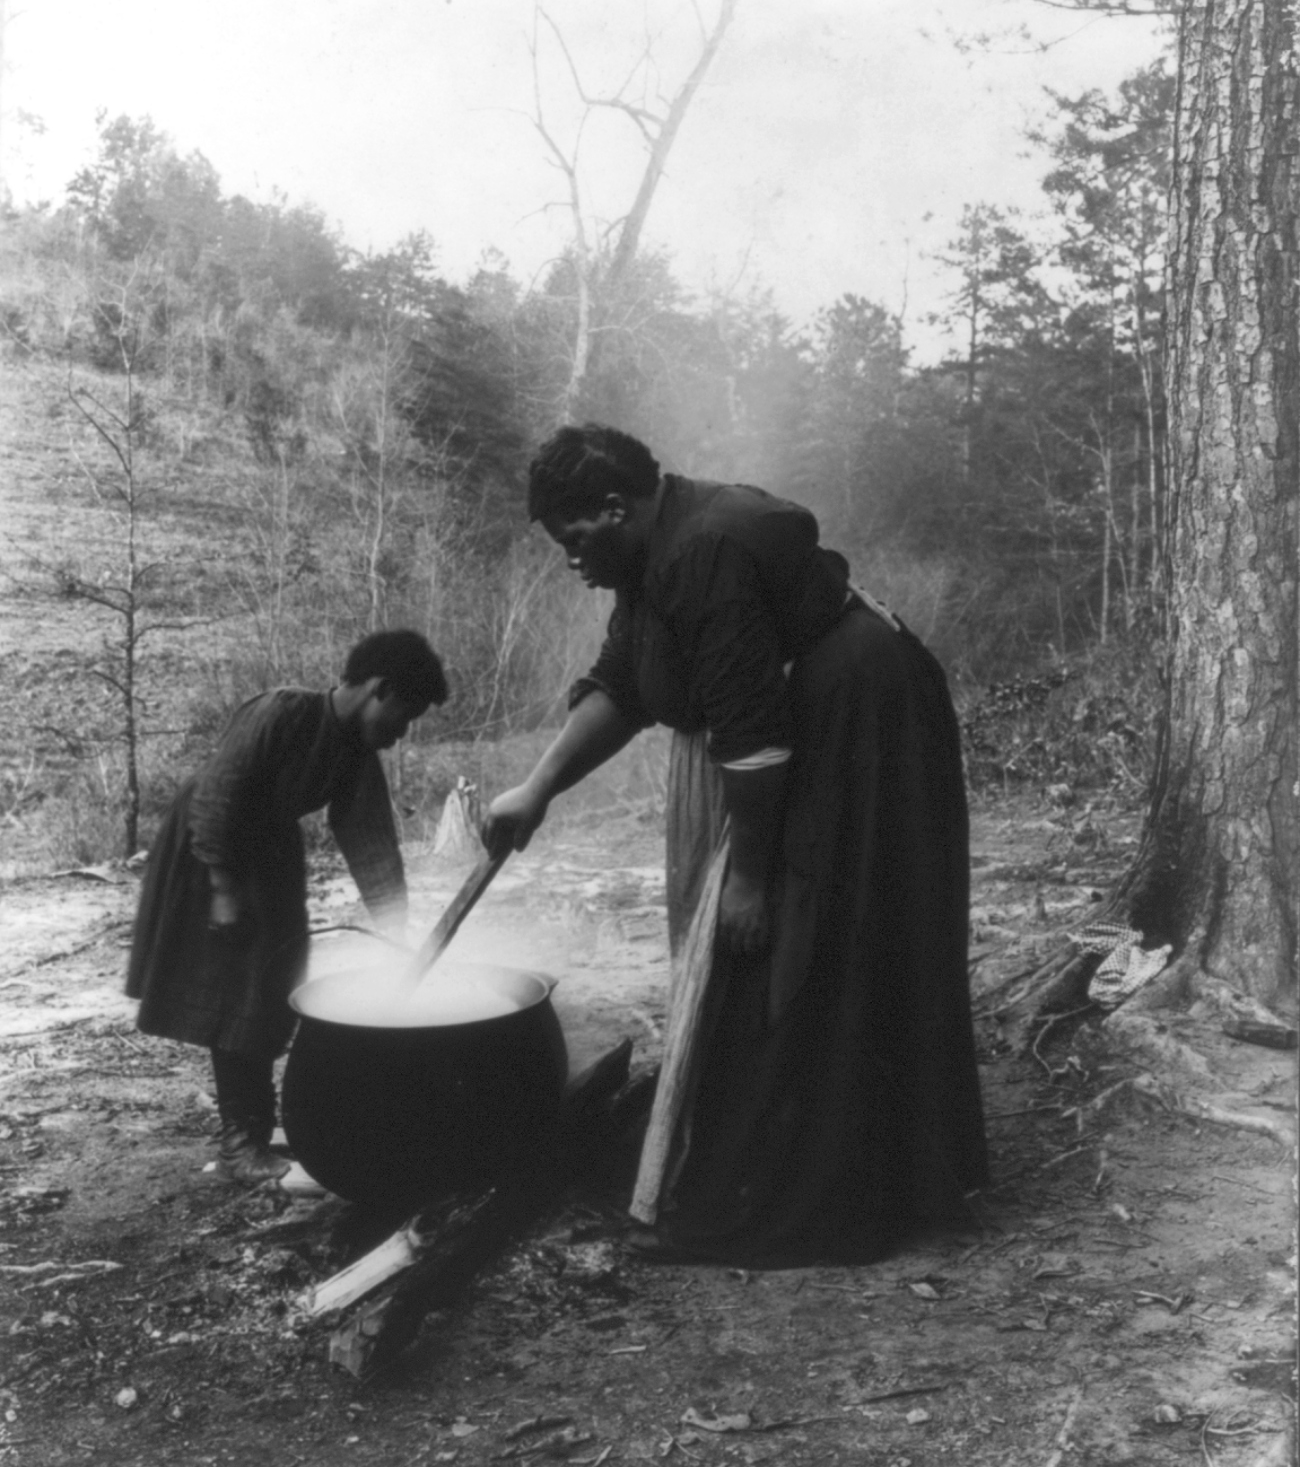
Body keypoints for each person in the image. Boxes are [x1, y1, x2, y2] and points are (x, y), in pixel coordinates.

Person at [483, 425, 988, 1264]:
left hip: (866, 715)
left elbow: (752, 738)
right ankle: (781, 1161)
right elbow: (624, 683)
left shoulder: (703, 553)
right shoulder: (652, 555)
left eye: (573, 540)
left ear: (615, 510)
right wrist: (536, 787)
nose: (569, 559)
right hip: (816, 716)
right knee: (784, 943)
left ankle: (826, 1190)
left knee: (805, 936)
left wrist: (750, 876)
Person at [126, 630, 447, 1183]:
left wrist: (395, 926)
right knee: (236, 994)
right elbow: (217, 795)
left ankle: (254, 1126)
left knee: (276, 988)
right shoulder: (281, 712)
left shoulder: (356, 751)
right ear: (381, 689)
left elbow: (371, 843)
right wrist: (225, 889)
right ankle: (239, 1146)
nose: (400, 734)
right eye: (405, 714)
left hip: (269, 854)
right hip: (210, 849)